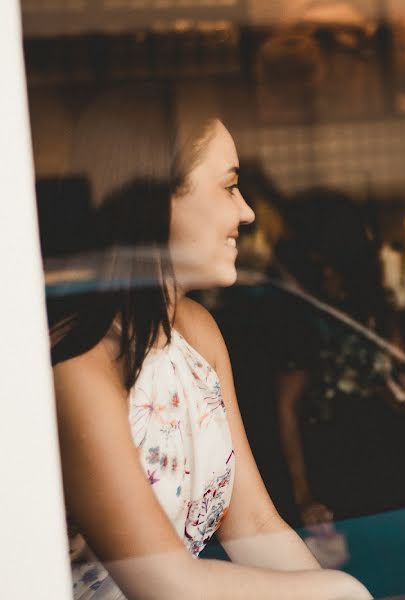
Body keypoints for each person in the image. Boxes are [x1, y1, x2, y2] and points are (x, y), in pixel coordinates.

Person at [48, 86, 371, 599]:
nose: (247, 212)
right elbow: (166, 585)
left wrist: (333, 590)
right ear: (156, 200)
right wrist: (338, 592)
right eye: (229, 187)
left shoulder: (196, 332)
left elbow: (255, 528)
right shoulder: (78, 367)